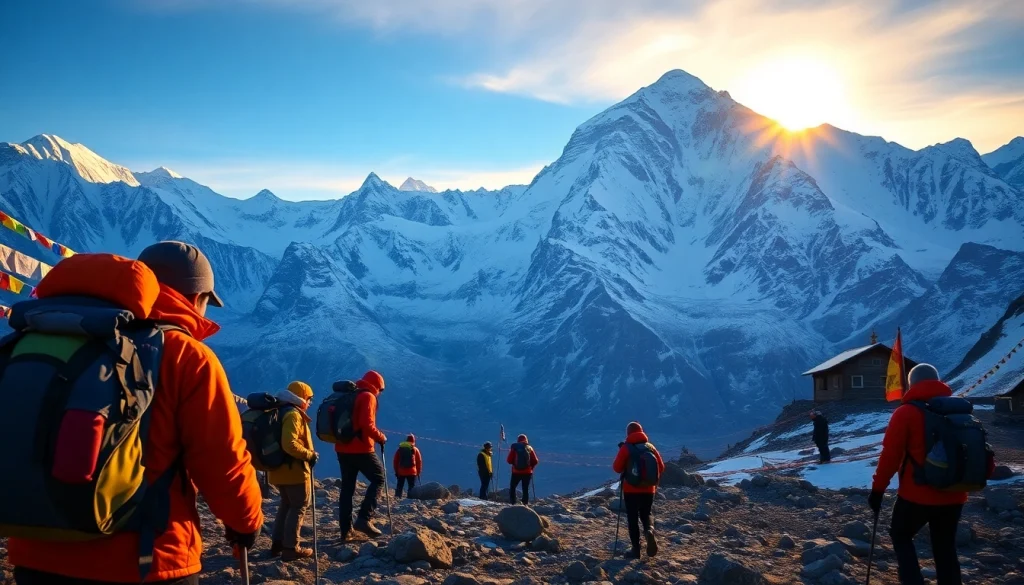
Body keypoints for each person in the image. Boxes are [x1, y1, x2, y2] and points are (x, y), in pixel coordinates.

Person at [9, 242, 264, 584]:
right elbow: (221, 459)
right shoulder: (184, 354)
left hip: (36, 551)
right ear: (196, 298)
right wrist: (245, 522)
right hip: (144, 557)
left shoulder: (33, 338)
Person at [869, 364, 994, 585]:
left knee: (901, 535)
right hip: (955, 493)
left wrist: (878, 490)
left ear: (912, 384)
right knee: (945, 546)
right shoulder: (958, 411)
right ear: (937, 381)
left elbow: (890, 456)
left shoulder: (906, 413)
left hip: (917, 495)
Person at [268, 381, 318, 561]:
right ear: (302, 397)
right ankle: (290, 548)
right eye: (309, 399)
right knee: (298, 506)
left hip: (278, 469)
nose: (310, 403)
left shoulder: (279, 411)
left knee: (287, 505)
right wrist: (309, 455)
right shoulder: (293, 414)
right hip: (294, 470)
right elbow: (289, 444)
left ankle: (278, 544)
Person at [335, 370, 387, 539]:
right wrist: (381, 437)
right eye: (381, 389)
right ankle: (364, 519)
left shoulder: (352, 395)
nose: (380, 393)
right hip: (361, 449)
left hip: (342, 447)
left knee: (347, 489)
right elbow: (367, 424)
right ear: (377, 386)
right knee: (378, 478)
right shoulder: (368, 397)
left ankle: (346, 531)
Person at [612, 421, 666, 560]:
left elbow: (617, 468)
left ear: (628, 433)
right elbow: (661, 467)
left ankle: (636, 550)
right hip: (649, 489)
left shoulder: (626, 448)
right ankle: (649, 531)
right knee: (646, 514)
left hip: (631, 490)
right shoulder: (650, 447)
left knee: (632, 518)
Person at [506, 434, 539, 505]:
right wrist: (531, 467)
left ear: (518, 440)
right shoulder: (529, 448)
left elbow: (509, 460)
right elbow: (535, 461)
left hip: (516, 472)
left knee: (513, 487)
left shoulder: (514, 447)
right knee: (525, 488)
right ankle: (525, 503)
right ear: (526, 440)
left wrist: (514, 464)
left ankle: (513, 502)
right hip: (527, 472)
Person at [393, 434, 422, 498]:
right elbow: (419, 461)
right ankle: (410, 498)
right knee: (411, 486)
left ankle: (397, 497)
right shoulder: (415, 449)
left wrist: (396, 471)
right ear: (414, 441)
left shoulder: (400, 449)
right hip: (412, 472)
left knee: (400, 485)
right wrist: (418, 472)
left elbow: (395, 461)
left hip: (401, 471)